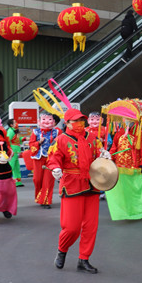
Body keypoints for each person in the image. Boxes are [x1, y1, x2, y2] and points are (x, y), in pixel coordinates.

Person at [48, 108, 111, 274]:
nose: (79, 124)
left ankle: (84, 259)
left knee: (91, 226)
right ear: (67, 123)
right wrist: (55, 168)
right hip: (72, 185)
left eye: (81, 120)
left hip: (92, 184)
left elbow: (98, 153)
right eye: (75, 121)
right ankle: (62, 250)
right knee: (71, 227)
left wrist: (104, 154)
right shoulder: (61, 140)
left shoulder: (92, 137)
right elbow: (53, 158)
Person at [106, 117, 142, 221]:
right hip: (120, 167)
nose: (128, 121)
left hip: (134, 166)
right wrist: (110, 157)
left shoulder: (139, 134)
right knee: (124, 191)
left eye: (130, 119)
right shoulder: (119, 132)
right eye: (125, 119)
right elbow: (115, 147)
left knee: (136, 190)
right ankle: (126, 210)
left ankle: (140, 210)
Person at [29, 112, 60, 208]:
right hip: (39, 158)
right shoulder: (35, 132)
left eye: (50, 119)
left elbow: (61, 144)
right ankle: (39, 197)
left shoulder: (57, 132)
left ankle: (46, 200)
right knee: (37, 179)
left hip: (51, 159)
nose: (47, 121)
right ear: (39, 121)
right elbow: (31, 144)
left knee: (48, 180)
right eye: (44, 119)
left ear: (53, 122)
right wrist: (38, 142)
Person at [6, 119, 24, 187]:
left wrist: (25, 138)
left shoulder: (15, 130)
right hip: (13, 151)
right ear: (11, 125)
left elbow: (18, 139)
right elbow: (8, 140)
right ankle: (7, 181)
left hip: (16, 151)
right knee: (11, 166)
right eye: (15, 122)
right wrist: (9, 150)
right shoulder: (10, 131)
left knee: (16, 167)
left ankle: (18, 182)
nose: (17, 123)